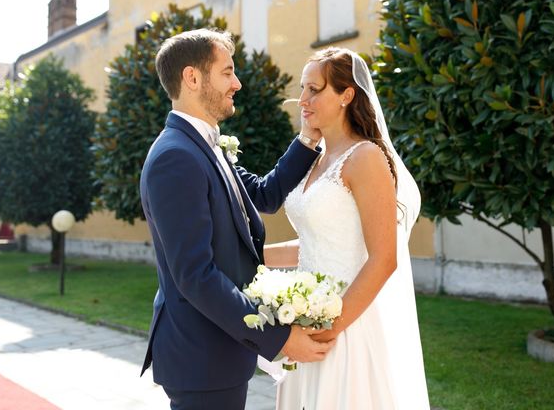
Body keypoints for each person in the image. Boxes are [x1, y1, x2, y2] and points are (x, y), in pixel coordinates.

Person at [139, 28, 335, 410]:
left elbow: (264, 194)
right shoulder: (175, 158)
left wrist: (308, 139)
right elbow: (196, 275)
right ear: (192, 78)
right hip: (201, 358)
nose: (237, 83)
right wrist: (278, 339)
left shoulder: (206, 146)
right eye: (227, 72)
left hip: (218, 357)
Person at [265, 47, 430, 409]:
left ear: (346, 95)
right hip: (305, 320)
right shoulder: (315, 159)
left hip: (348, 325)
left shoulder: (366, 158)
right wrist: (255, 257)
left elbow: (384, 258)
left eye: (314, 89)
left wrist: (332, 327)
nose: (302, 100)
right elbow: (318, 241)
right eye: (303, 89)